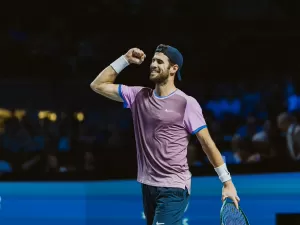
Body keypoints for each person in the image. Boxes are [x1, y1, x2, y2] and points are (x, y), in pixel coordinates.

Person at [90, 45, 240, 225]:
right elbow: (97, 85)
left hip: (173, 187)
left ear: (173, 69)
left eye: (160, 61)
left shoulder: (186, 103)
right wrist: (125, 60)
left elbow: (207, 143)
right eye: (153, 60)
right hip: (148, 186)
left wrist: (227, 182)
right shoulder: (138, 96)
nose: (153, 64)